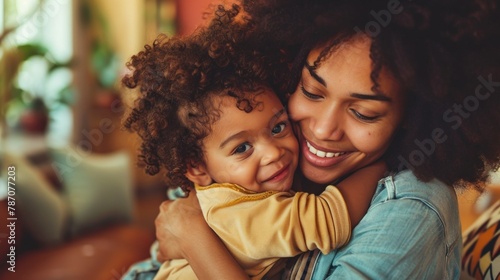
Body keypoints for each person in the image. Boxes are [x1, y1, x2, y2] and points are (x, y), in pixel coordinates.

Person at [150, 0, 500, 279]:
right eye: (312, 91)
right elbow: (156, 258)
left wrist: (193, 236)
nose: (321, 130)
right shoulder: (242, 143)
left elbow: (177, 229)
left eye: (363, 112)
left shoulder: (412, 209)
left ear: (414, 117)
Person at [120, 9, 385, 280]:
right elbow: (328, 217)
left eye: (278, 127)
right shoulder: (244, 212)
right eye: (242, 148)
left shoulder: (219, 194)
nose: (273, 152)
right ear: (197, 168)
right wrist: (383, 165)